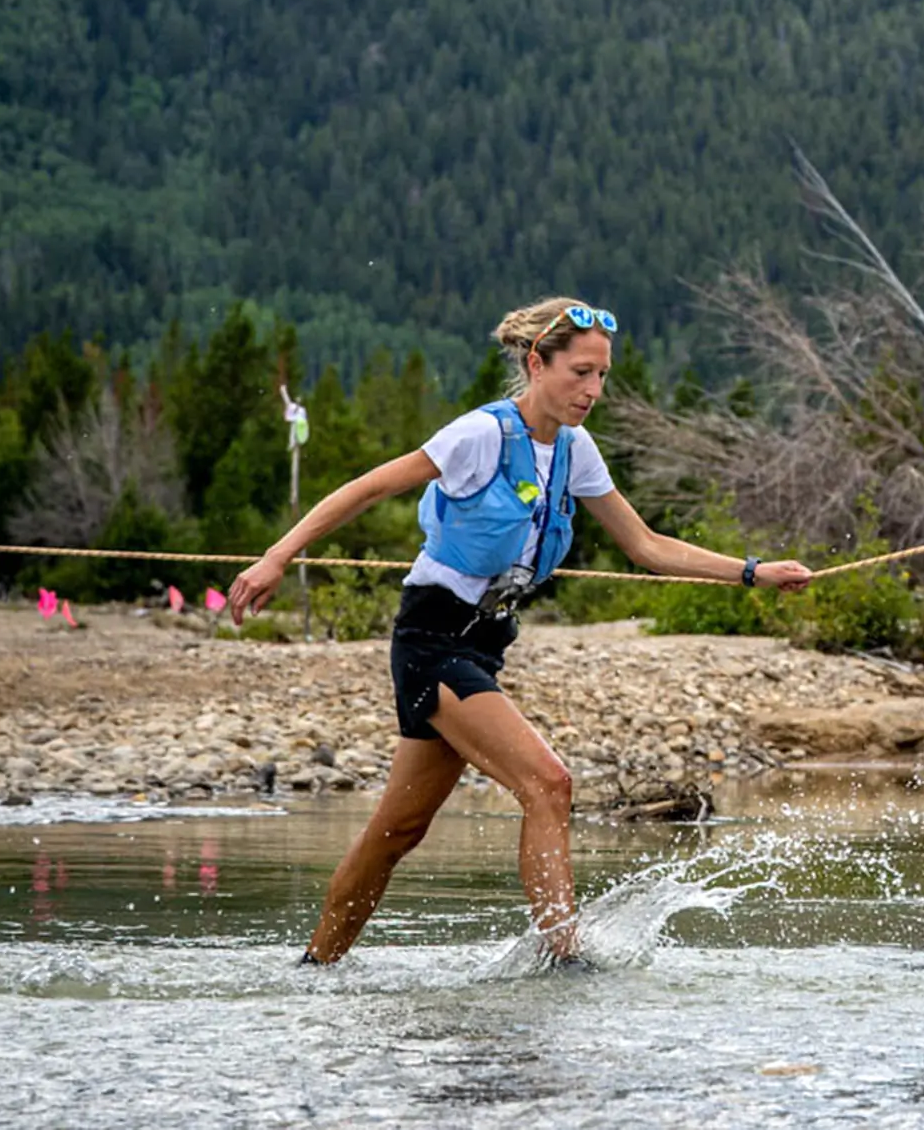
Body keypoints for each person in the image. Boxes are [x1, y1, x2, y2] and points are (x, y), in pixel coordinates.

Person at [227, 297, 812, 966]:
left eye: (602, 376)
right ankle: (563, 957)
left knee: (398, 829)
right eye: (580, 372)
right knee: (548, 782)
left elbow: (645, 545)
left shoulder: (575, 451)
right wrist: (278, 555)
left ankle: (315, 966)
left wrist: (751, 571)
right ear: (538, 362)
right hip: (431, 640)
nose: (592, 390)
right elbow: (364, 488)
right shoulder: (480, 436)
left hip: (481, 645)